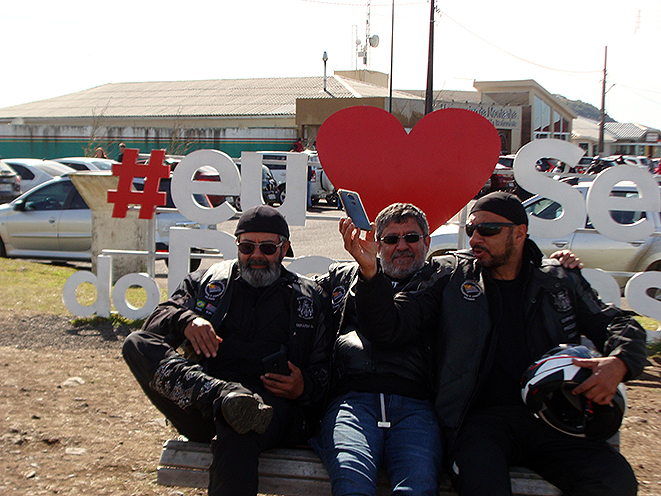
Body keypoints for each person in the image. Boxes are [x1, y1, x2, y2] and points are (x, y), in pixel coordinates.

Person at [344, 191, 647, 496]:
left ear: (519, 233)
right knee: (482, 482)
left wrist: (619, 362)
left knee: (614, 480)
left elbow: (619, 324)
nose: (476, 239)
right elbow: (390, 327)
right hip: (478, 423)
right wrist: (370, 273)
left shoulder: (559, 282)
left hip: (553, 417)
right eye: (471, 230)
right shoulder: (451, 276)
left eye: (488, 230)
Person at [122, 205, 330, 496]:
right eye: (247, 247)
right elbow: (155, 324)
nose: (256, 255)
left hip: (273, 410)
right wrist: (186, 320)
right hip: (201, 401)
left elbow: (329, 369)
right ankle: (222, 396)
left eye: (267, 247)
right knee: (135, 343)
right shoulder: (207, 282)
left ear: (284, 249)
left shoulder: (309, 297)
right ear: (237, 246)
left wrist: (303, 386)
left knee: (240, 424)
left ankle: (233, 403)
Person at [311, 203, 444, 496]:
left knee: (417, 488)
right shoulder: (344, 277)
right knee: (352, 484)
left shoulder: (438, 280)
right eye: (392, 239)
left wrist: (370, 273)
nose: (402, 246)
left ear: (427, 242)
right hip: (353, 402)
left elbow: (389, 328)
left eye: (411, 237)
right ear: (378, 243)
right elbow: (297, 294)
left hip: (415, 405)